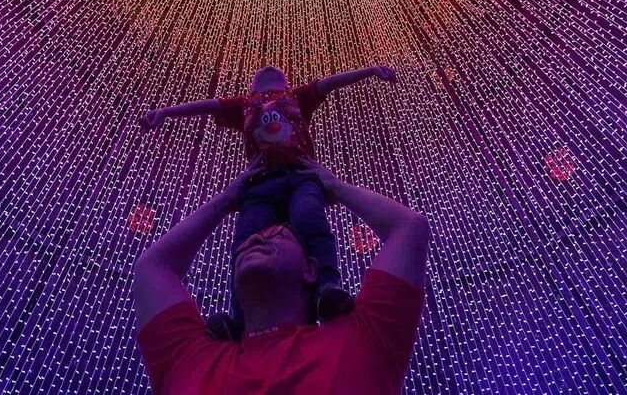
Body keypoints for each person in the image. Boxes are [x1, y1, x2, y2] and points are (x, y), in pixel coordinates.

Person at [132, 156, 430, 394]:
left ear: (311, 269)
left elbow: (410, 227)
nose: (256, 238)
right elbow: (151, 265)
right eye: (248, 242)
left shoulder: (365, 337)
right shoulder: (189, 356)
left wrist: (335, 186)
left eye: (279, 235)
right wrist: (225, 200)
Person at [140, 64, 396, 338]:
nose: (268, 67)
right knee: (247, 239)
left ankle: (326, 289)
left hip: (302, 176)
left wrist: (370, 71)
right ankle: (241, 318)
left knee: (309, 218)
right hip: (259, 184)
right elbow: (208, 106)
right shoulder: (243, 105)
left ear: (286, 84)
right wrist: (165, 112)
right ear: (252, 87)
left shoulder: (297, 96)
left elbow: (329, 83)